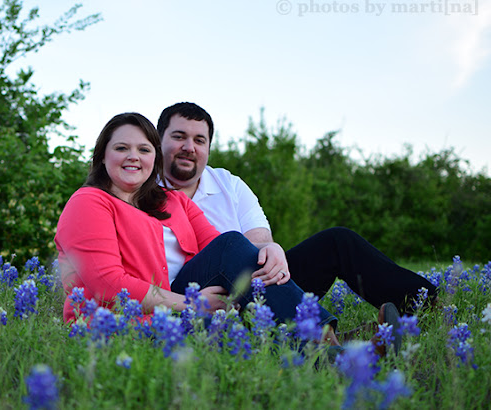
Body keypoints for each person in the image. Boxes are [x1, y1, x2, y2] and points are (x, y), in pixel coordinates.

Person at [54, 112, 351, 346]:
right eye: (121, 148)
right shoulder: (89, 202)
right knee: (227, 333)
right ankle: (328, 352)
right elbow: (107, 284)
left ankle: (325, 341)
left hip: (182, 301)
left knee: (233, 248)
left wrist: (268, 249)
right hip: (121, 319)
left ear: (154, 159)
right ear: (102, 156)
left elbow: (226, 253)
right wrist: (192, 305)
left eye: (144, 149)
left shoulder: (174, 202)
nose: (134, 156)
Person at [156, 102, 438, 319]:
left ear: (208, 147)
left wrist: (272, 250)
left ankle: (426, 307)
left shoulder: (228, 183)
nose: (189, 147)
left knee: (337, 241)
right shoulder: (143, 189)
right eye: (179, 137)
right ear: (159, 141)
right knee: (229, 243)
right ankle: (324, 339)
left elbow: (258, 239)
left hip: (252, 285)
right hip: (190, 295)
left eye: (199, 140)